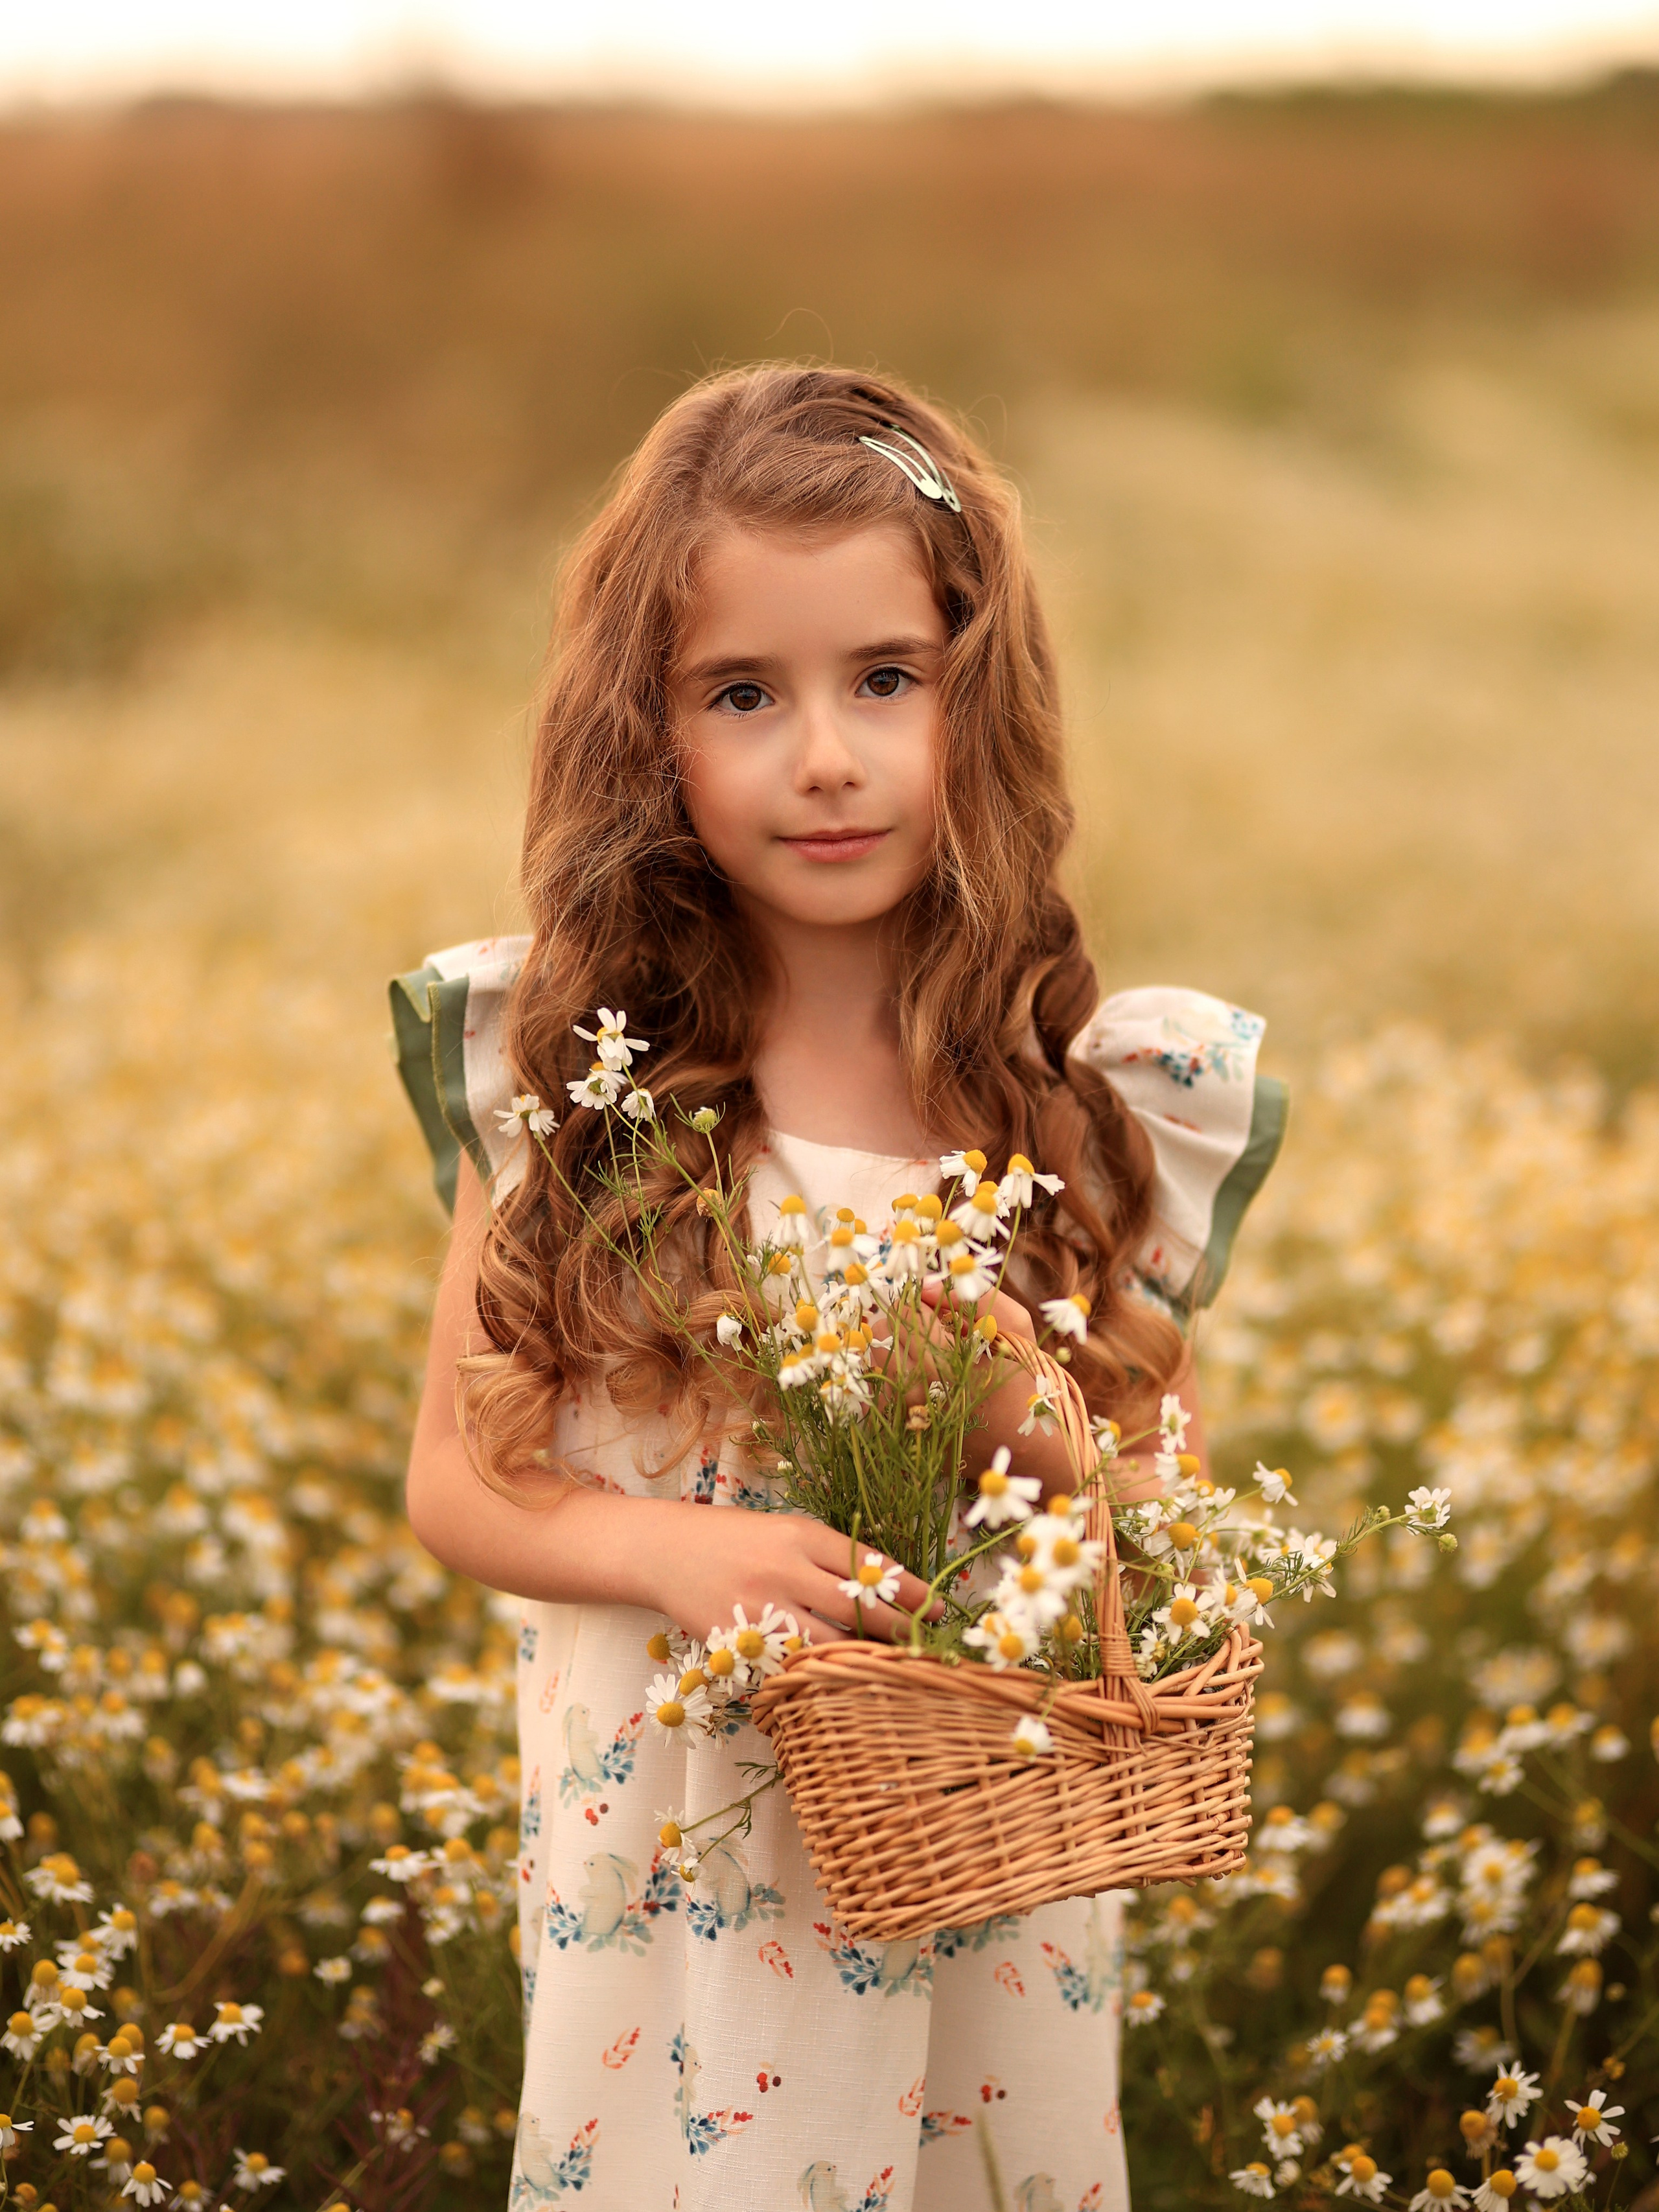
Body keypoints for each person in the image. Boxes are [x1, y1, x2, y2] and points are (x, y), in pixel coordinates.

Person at [394, 365, 1286, 2212]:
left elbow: (1159, 1510)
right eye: (745, 694)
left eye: (888, 679)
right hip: (680, 1862)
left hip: (972, 1854)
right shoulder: (582, 1089)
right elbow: (456, 1480)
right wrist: (674, 1555)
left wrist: (1013, 1417)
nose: (826, 756)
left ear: (982, 698)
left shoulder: (1072, 1103)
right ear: (650, 738)